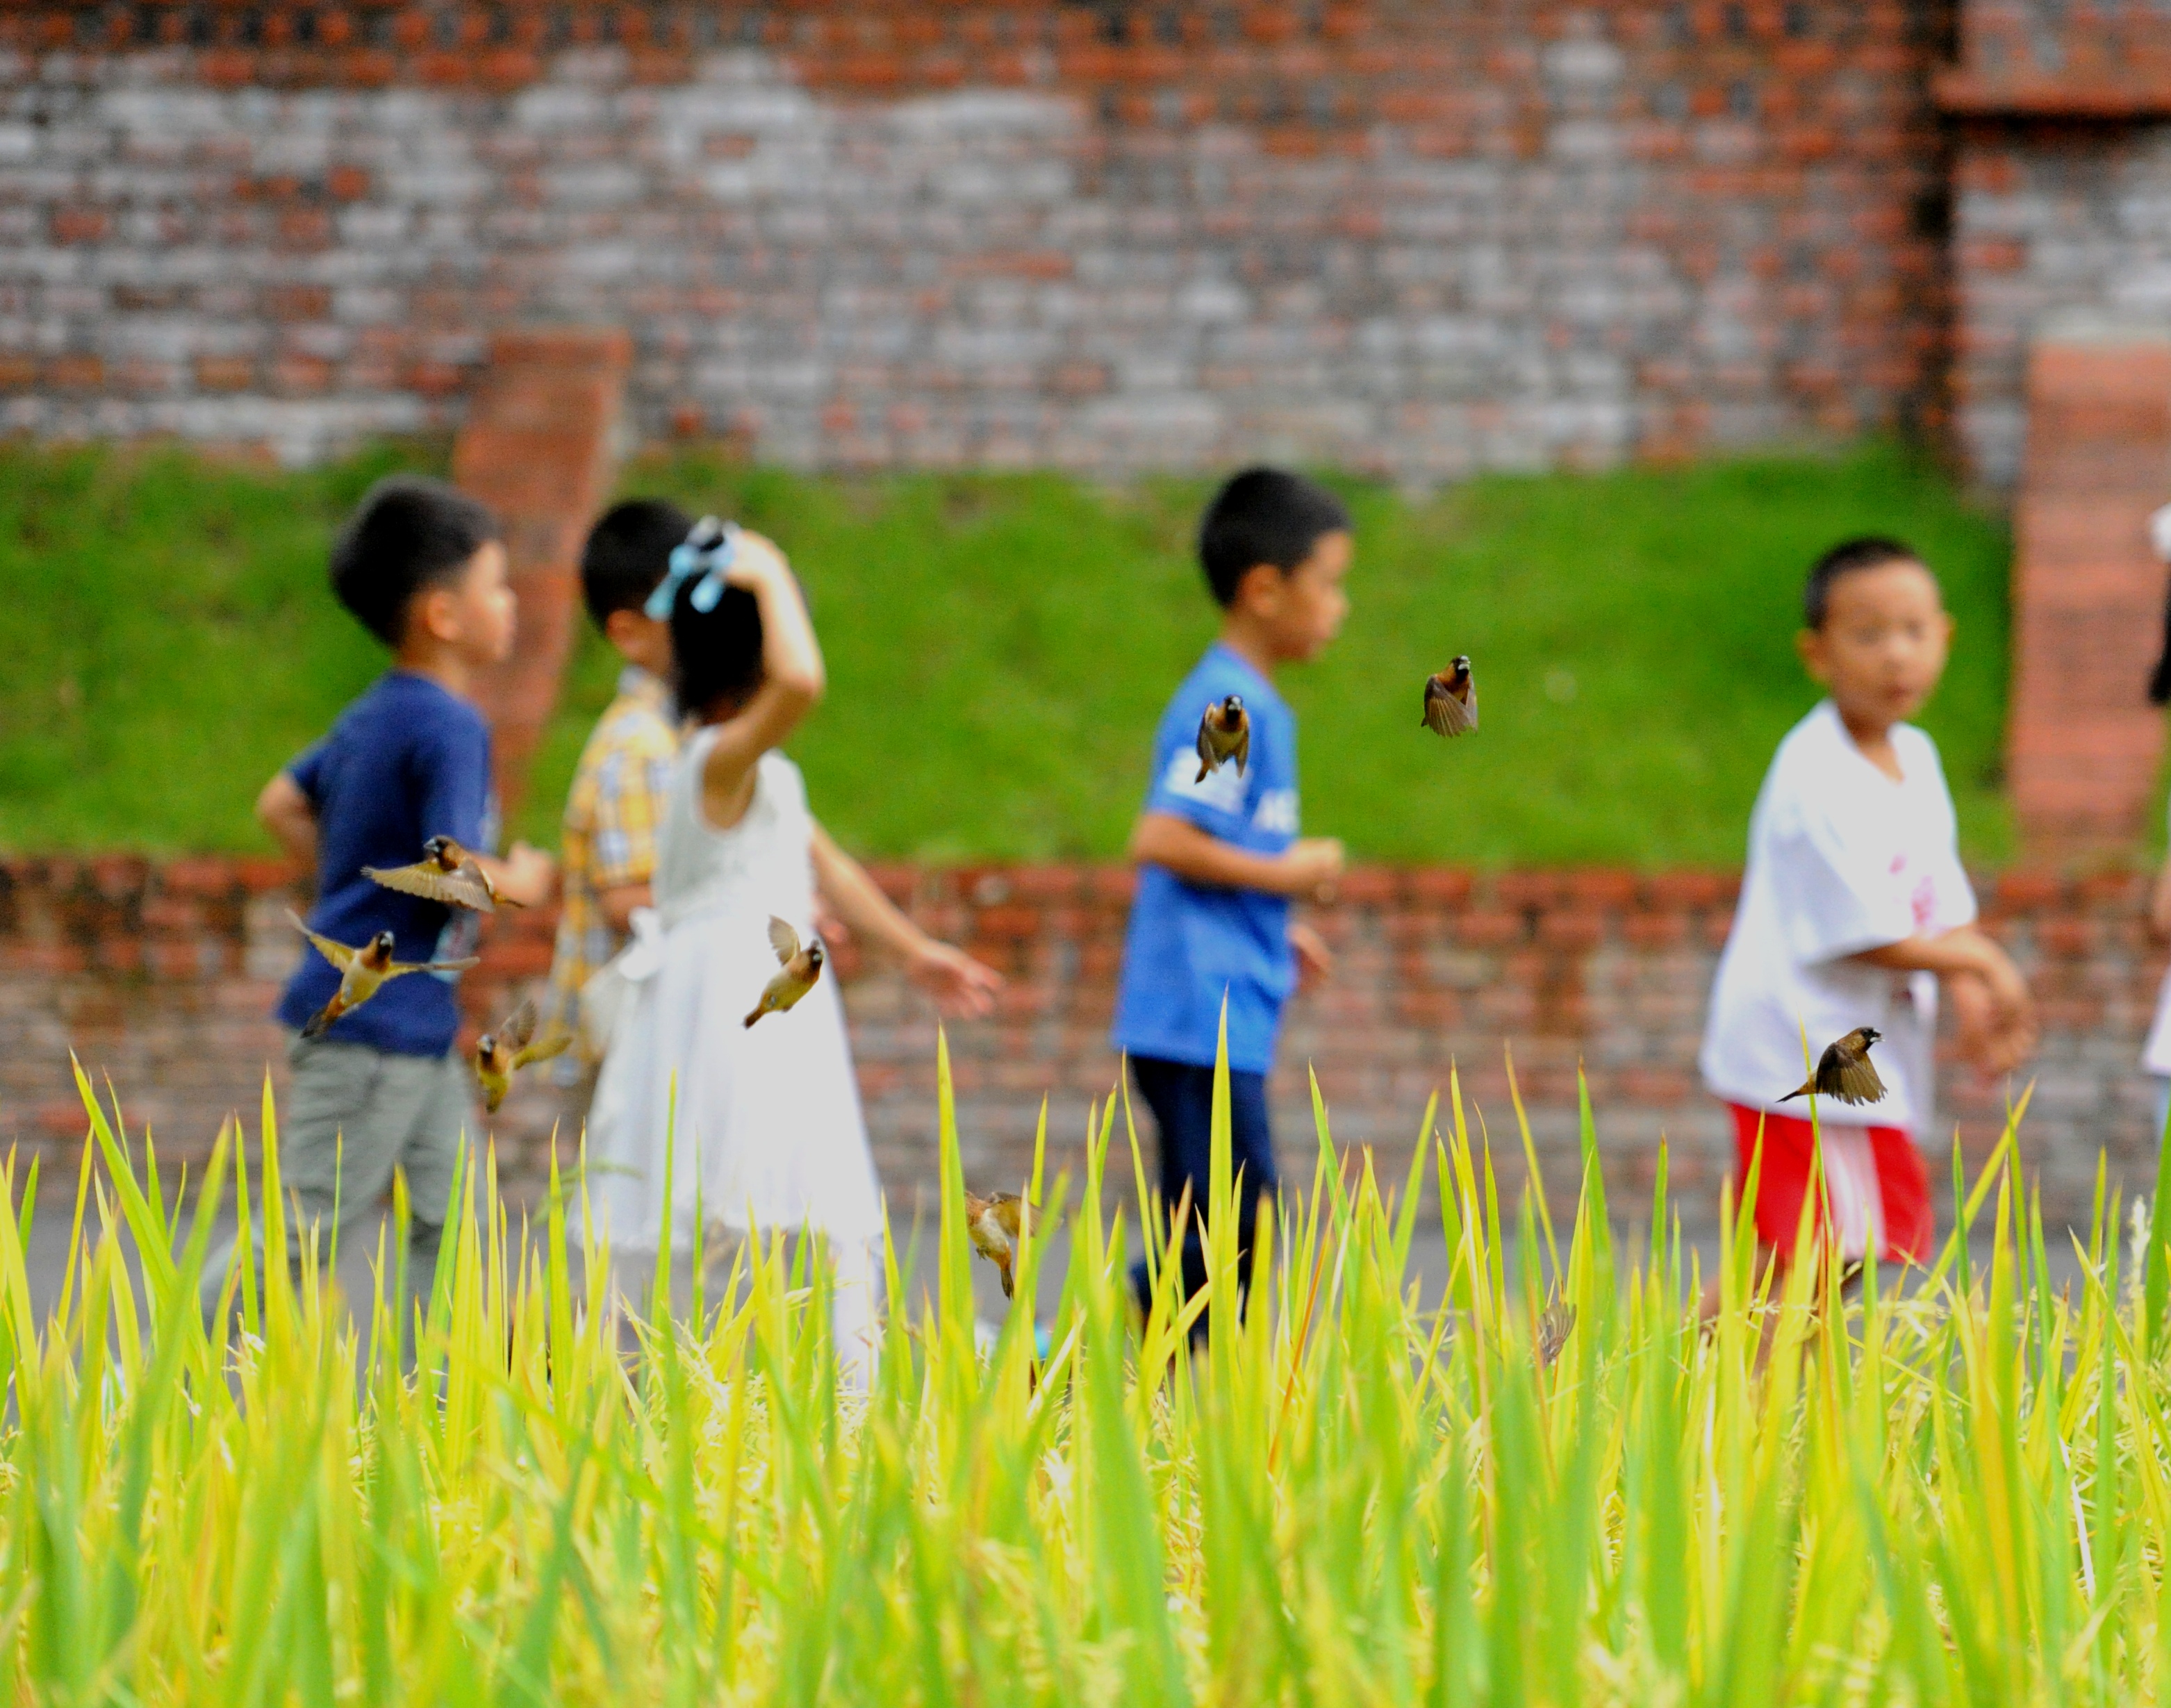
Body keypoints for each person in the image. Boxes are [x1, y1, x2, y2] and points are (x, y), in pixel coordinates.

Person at [582, 515, 1002, 1375]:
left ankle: (776, 1378)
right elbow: (803, 682)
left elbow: (827, 862)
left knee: (774, 1191)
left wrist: (911, 949)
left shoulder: (755, 770)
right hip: (731, 1008)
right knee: (731, 1191)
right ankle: (715, 1378)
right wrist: (767, 572)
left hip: (771, 992)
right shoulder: (712, 759)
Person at [206, 476, 555, 1318]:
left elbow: (280, 803)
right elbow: (446, 864)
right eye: (495, 586)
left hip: (408, 1030)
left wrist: (352, 881)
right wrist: (523, 881)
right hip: (371, 1030)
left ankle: (441, 1415)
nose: (511, 604)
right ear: (442, 615)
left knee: (458, 1228)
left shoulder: (374, 714)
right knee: (308, 1226)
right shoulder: (448, 722)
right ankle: (139, 1379)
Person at [1699, 536, 2034, 1277]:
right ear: (1815, 652)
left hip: (1843, 1059)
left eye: (1913, 632)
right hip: (1806, 1054)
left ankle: (1689, 1385)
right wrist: (1981, 961)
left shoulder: (1914, 756)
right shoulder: (1814, 772)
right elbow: (1860, 933)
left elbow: (1934, 899)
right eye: (1867, 634)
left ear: (1943, 637)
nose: (1895, 655)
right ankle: (1720, 1387)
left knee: (1810, 1258)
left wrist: (1968, 988)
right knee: (1826, 1253)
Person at [1110, 467, 1349, 1324]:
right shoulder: (1230, 704)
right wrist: (1288, 874)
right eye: (1328, 583)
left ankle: (1111, 1376)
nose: (1340, 605)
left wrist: (1269, 924)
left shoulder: (1257, 706)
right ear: (1264, 589)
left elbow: (1218, 847)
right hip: (1192, 1015)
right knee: (1226, 1224)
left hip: (1222, 1002)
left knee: (1224, 1223)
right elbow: (1164, 836)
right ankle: (1097, 1377)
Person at [545, 499, 686, 1054]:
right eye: (689, 604)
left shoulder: (675, 733)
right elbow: (628, 899)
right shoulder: (641, 745)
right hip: (623, 1045)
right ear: (629, 633)